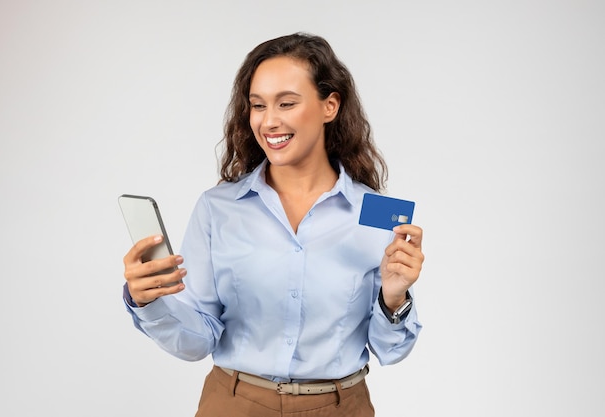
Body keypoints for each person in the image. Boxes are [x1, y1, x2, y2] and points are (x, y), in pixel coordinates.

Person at [122, 32, 424, 417]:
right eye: (258, 105)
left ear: (330, 105)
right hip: (232, 404)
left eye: (287, 103)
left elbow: (391, 349)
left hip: (340, 407)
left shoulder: (379, 213)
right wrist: (149, 302)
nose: (269, 121)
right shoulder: (219, 208)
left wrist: (394, 299)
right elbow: (197, 340)